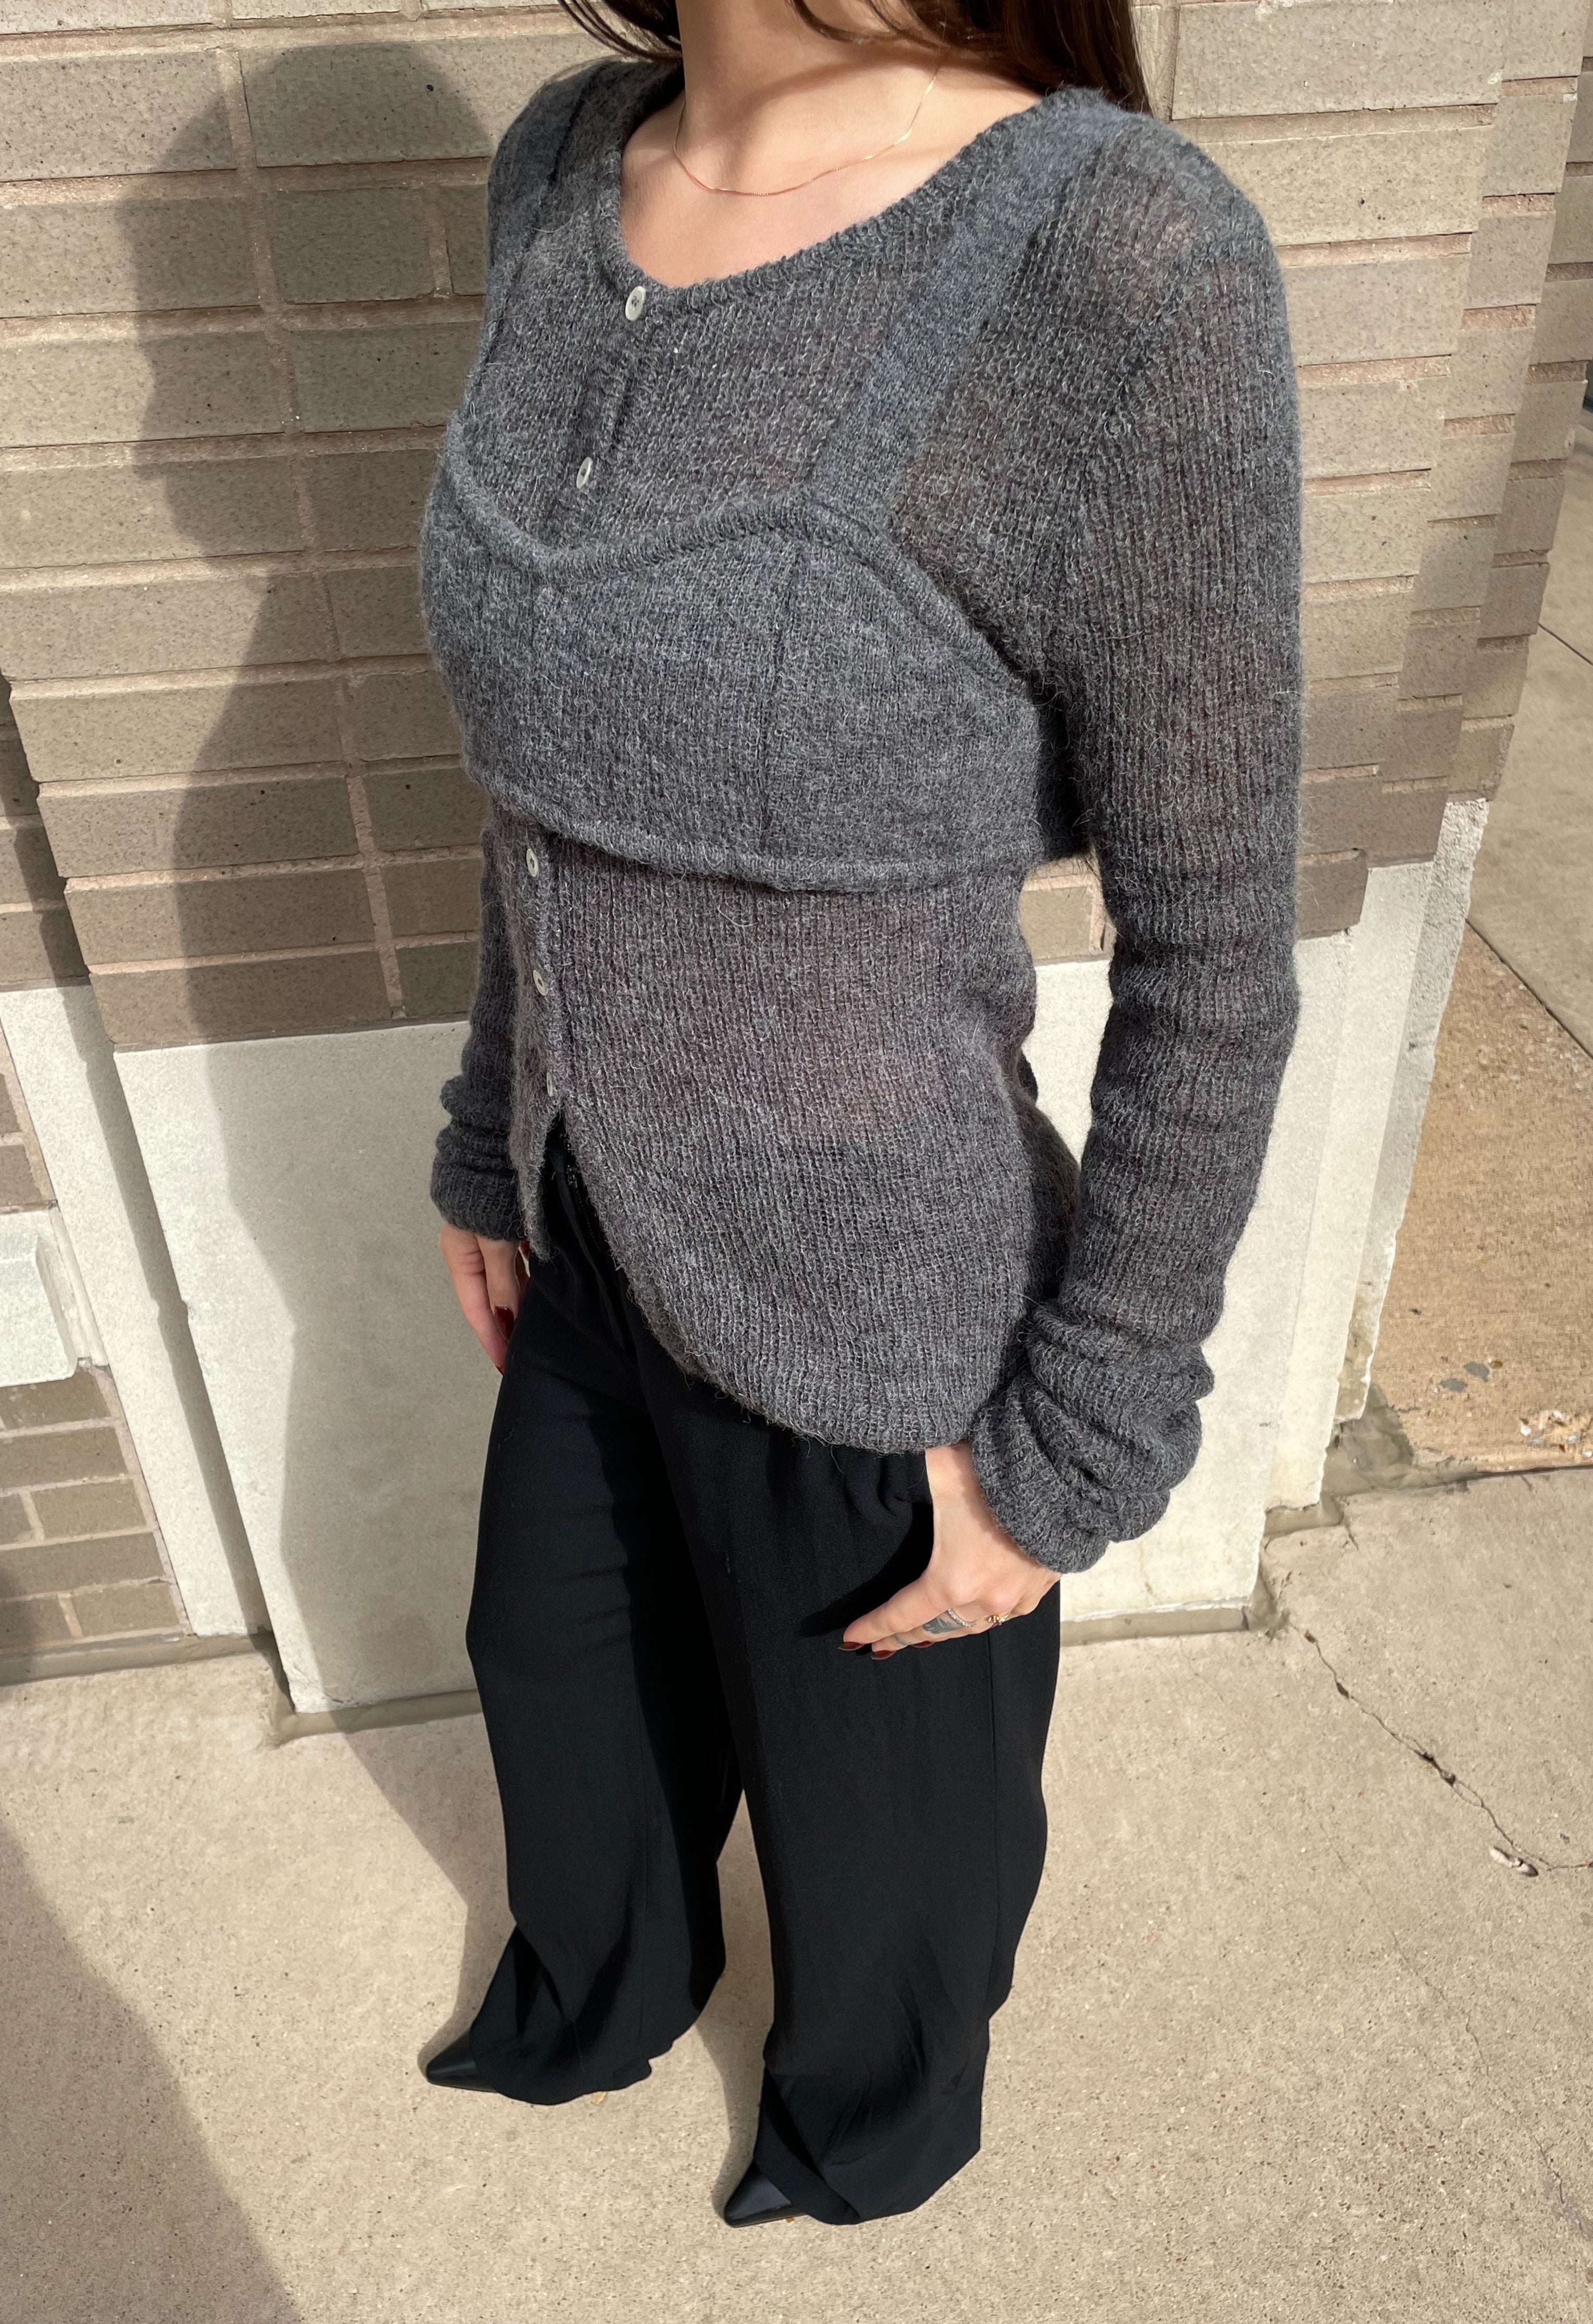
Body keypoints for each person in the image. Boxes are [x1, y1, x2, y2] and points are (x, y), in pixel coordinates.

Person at [419, 0, 1303, 2230]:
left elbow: (1215, 951)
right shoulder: (560, 170)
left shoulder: (1113, 260)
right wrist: (488, 1122)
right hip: (584, 1216)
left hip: (878, 1309)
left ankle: (869, 2125)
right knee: (556, 1689)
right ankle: (603, 1991)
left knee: (886, 1856)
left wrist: (1074, 1448)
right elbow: (544, 776)